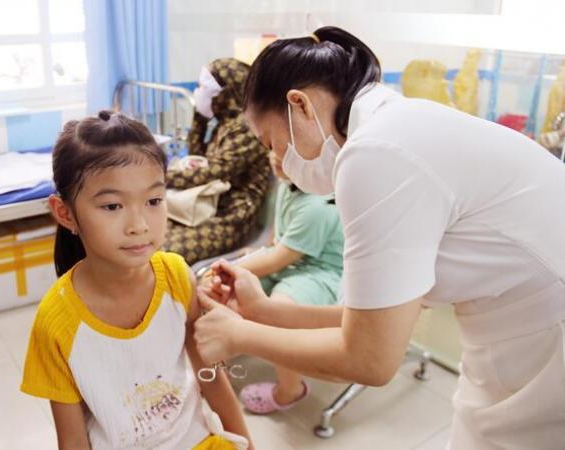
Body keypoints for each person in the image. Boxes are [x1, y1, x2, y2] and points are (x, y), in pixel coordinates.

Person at [194, 26, 565, 450]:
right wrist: (260, 310)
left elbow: (369, 358)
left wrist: (238, 335)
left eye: (272, 143)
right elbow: (369, 320)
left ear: (298, 104)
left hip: (547, 338)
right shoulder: (394, 127)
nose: (277, 164)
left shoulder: (374, 154)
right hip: (516, 330)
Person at [20, 111, 251, 450]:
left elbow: (209, 373)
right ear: (66, 213)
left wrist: (244, 440)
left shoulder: (175, 275)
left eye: (154, 201)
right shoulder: (56, 323)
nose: (139, 224)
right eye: (112, 206)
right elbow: (72, 440)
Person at [204, 150, 343, 414]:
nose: (275, 157)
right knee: (223, 294)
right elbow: (275, 240)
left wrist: (228, 269)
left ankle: (290, 390)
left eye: (287, 152)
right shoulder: (288, 184)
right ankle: (214, 370)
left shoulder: (317, 206)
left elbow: (278, 259)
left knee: (279, 311)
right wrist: (251, 257)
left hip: (320, 272)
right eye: (272, 147)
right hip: (289, 260)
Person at [163, 58, 271, 265]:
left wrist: (158, 179)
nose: (198, 91)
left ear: (226, 92)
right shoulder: (225, 122)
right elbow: (197, 156)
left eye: (204, 87)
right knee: (149, 238)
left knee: (164, 253)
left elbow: (212, 172)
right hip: (204, 204)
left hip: (230, 217)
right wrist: (200, 118)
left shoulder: (246, 128)